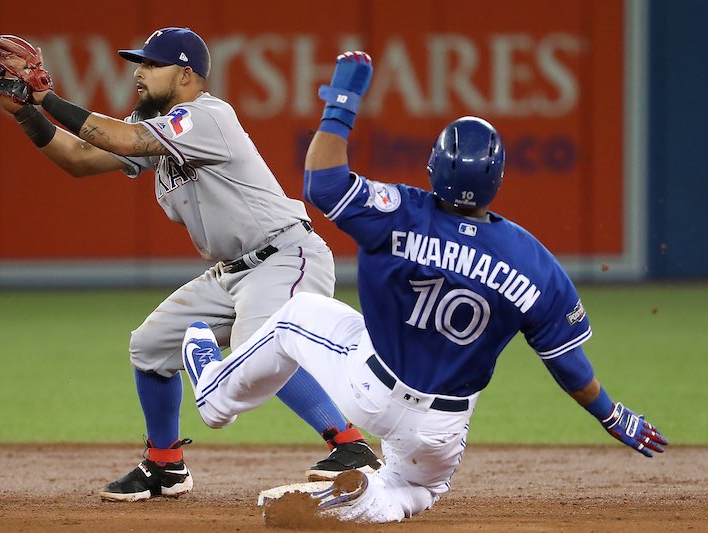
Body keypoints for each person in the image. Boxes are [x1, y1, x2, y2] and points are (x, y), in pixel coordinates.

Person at [180, 51, 669, 523]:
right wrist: (612, 415)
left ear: (435, 165)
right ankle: (368, 503)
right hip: (440, 430)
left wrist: (341, 103)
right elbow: (567, 364)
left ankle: (217, 399)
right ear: (498, 179)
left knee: (295, 314)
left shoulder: (400, 211)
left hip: (370, 386)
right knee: (419, 489)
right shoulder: (535, 262)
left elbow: (324, 185)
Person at [0, 30, 382, 502]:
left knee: (258, 348)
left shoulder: (207, 116)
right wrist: (25, 111)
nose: (138, 72)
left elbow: (122, 139)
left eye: (151, 64)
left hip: (285, 256)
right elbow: (80, 158)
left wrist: (45, 96)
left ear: (186, 74)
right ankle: (164, 466)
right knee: (150, 348)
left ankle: (350, 447)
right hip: (232, 272)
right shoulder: (158, 125)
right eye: (137, 63)